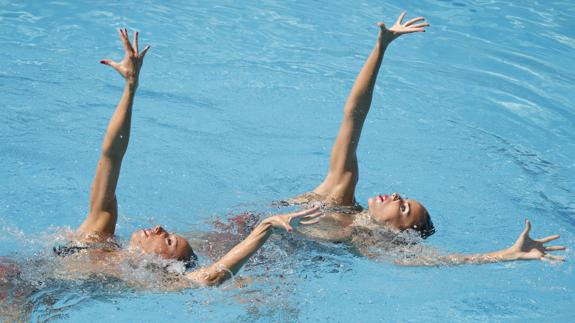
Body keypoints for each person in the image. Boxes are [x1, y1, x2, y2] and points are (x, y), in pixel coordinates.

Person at [285, 12, 566, 265]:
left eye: (404, 207)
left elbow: (444, 260)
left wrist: (508, 254)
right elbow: (354, 116)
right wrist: (381, 48)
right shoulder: (338, 193)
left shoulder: (367, 246)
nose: (396, 195)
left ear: (398, 232)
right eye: (403, 198)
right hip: (247, 234)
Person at [53, 29, 322, 287]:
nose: (159, 228)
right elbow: (111, 157)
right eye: (168, 234)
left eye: (168, 241)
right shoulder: (99, 232)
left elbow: (212, 277)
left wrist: (265, 227)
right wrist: (130, 88)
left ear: (162, 265)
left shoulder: (142, 281)